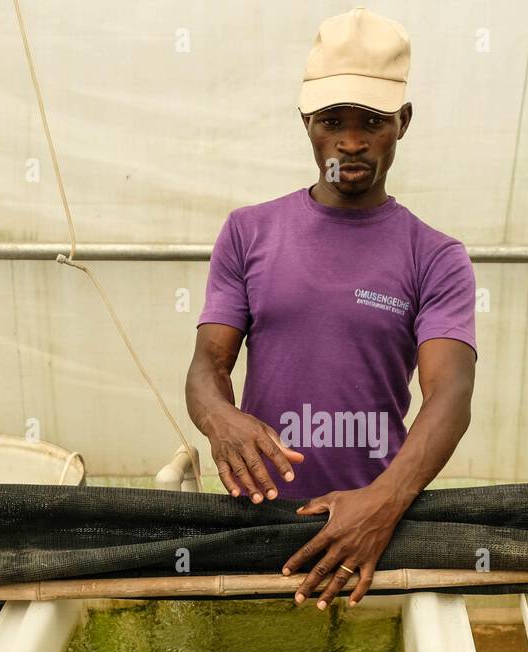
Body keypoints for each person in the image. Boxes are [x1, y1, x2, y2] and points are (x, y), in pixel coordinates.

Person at [185, 7, 476, 610]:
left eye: (372, 121)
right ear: (305, 123)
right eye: (330, 122)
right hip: (261, 524)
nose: (349, 141)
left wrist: (383, 503)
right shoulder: (248, 232)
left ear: (404, 123)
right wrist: (219, 419)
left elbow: (449, 396)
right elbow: (208, 367)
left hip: (376, 532)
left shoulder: (436, 256)